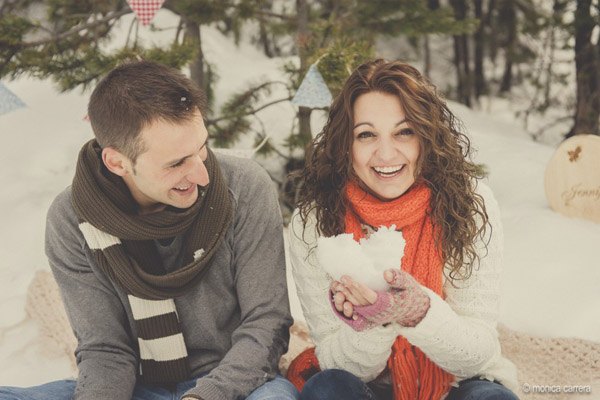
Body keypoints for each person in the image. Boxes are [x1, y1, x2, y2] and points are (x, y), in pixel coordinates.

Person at [0, 61, 298, 400]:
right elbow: (105, 349)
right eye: (176, 163)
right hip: (137, 389)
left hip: (236, 384)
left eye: (201, 148)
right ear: (118, 163)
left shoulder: (243, 187)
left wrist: (205, 396)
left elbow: (267, 324)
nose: (202, 176)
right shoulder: (72, 219)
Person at [287, 59, 519, 400]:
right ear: (344, 144)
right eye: (366, 134)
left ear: (427, 135)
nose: (385, 153)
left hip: (453, 384)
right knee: (326, 390)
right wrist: (374, 321)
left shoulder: (468, 202)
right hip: (363, 387)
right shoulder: (312, 222)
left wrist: (418, 312)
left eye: (404, 131)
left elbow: (477, 355)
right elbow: (339, 364)